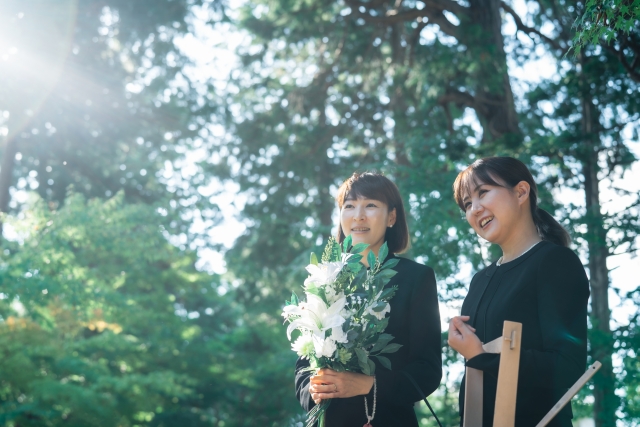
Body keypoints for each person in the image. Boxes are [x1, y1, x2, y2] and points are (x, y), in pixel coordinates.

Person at [448, 157, 590, 427]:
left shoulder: (555, 262)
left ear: (521, 192)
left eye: (483, 192)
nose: (474, 209)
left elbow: (567, 367)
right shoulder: (479, 281)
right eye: (467, 204)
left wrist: (481, 357)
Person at [294, 171, 442, 426]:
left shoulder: (416, 278)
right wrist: (313, 390)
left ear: (392, 217)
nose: (358, 216)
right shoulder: (325, 278)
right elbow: (303, 366)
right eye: (349, 206)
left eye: (370, 205)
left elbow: (427, 370)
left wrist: (369, 384)